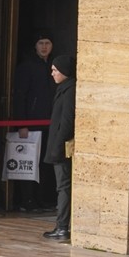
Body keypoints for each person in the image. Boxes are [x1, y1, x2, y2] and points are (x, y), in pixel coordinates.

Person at [11, 31, 57, 213]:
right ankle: (27, 199)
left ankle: (42, 198)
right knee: (29, 162)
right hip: (31, 124)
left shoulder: (52, 66)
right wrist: (21, 123)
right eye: (41, 43)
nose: (44, 47)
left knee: (45, 163)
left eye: (47, 43)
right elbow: (20, 97)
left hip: (48, 122)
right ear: (35, 46)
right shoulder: (27, 66)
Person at [43, 54, 76, 242]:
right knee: (62, 185)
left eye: (55, 70)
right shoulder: (64, 89)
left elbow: (66, 121)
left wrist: (58, 145)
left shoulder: (69, 91)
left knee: (63, 186)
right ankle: (61, 225)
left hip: (61, 147)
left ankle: (62, 226)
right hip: (58, 145)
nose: (52, 73)